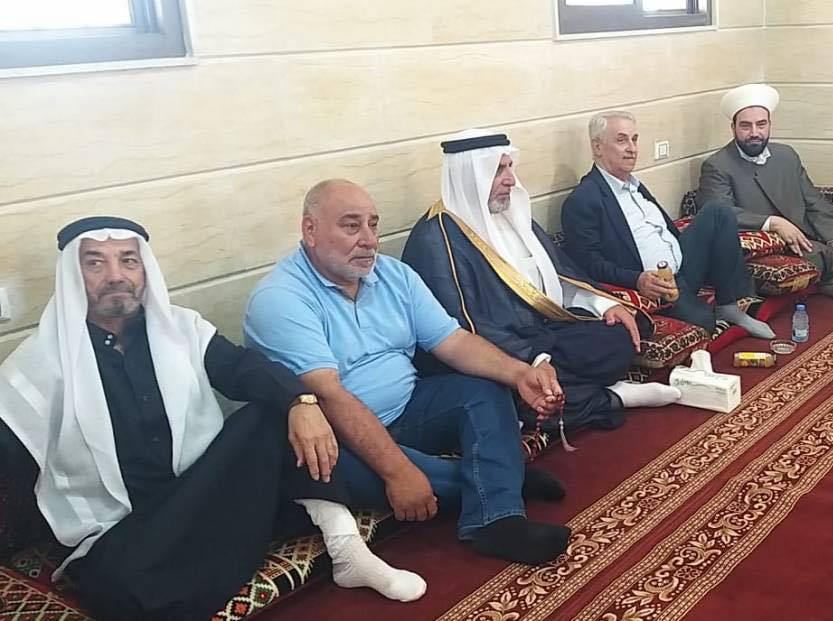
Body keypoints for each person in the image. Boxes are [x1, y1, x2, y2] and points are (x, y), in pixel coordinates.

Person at [0, 217, 424, 621]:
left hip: (199, 490)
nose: (116, 275)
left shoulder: (181, 330)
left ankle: (348, 549)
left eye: (128, 260)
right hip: (121, 527)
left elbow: (245, 369)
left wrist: (302, 402)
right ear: (72, 276)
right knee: (119, 590)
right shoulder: (37, 365)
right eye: (95, 263)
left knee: (272, 411)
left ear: (144, 270)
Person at [244, 179, 572, 567]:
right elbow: (330, 398)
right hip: (338, 435)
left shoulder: (393, 275)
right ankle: (497, 479)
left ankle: (495, 518)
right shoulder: (280, 299)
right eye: (351, 226)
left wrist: (520, 374)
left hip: (409, 408)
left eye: (373, 224)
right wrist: (398, 472)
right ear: (310, 230)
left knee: (485, 390)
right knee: (332, 466)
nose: (369, 240)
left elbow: (454, 342)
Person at [401, 130, 681, 432]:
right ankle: (612, 398)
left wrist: (603, 305)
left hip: (546, 332)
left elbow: (559, 274)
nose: (511, 180)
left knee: (617, 337)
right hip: (501, 352)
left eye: (510, 167)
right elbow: (462, 329)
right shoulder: (436, 240)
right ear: (469, 177)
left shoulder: (511, 214)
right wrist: (533, 359)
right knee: (518, 395)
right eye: (498, 170)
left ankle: (576, 390)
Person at [560, 111, 774, 339]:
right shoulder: (584, 199)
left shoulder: (634, 185)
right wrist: (637, 279)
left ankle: (729, 305)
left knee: (718, 211)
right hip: (657, 285)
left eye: (634, 139)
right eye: (621, 140)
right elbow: (587, 263)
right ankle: (703, 311)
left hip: (682, 263)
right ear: (598, 147)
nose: (632, 148)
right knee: (704, 321)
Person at [697, 83, 833, 300]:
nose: (754, 133)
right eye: (745, 126)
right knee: (817, 254)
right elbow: (718, 212)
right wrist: (774, 223)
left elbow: (813, 201)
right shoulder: (717, 165)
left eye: (761, 124)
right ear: (733, 128)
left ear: (770, 125)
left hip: (806, 230)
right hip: (777, 242)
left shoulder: (786, 155)